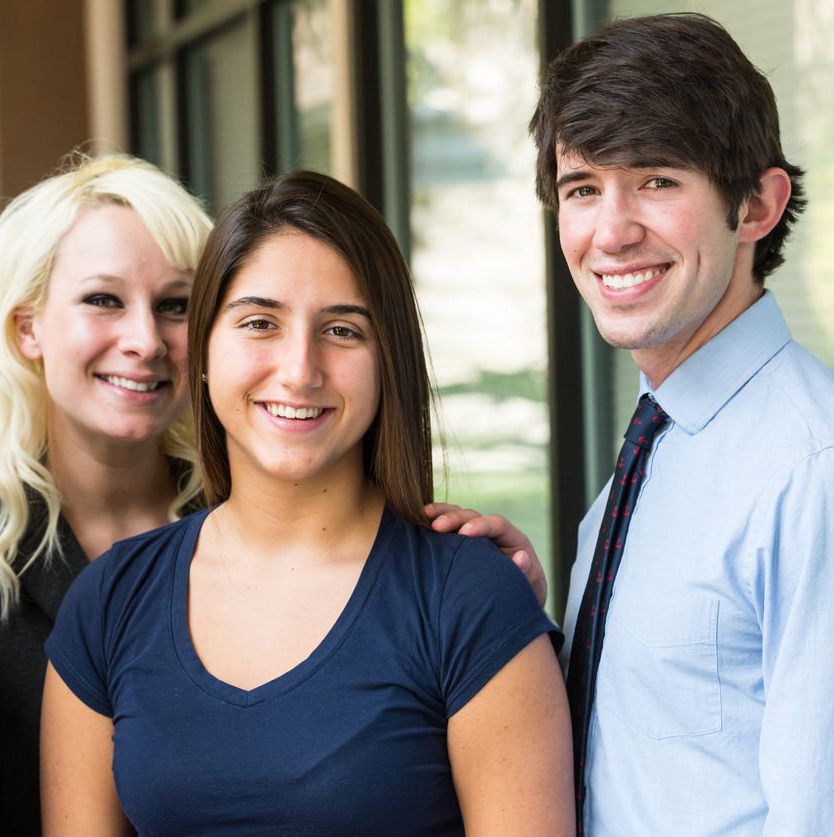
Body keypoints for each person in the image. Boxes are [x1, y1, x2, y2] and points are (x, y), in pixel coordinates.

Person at [41, 170, 574, 836]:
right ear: (204, 349)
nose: (300, 368)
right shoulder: (108, 602)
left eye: (343, 331)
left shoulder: (469, 598)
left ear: (390, 361)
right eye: (260, 322)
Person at [448, 13, 834, 835]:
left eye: (657, 179)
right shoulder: (662, 437)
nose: (611, 231)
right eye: (582, 188)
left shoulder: (812, 466)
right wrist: (535, 623)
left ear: (758, 205)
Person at [0, 155, 213, 837]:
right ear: (28, 329)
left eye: (174, 305)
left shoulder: (257, 532)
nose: (144, 340)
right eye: (104, 300)